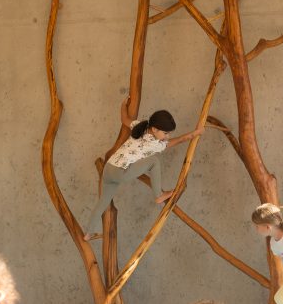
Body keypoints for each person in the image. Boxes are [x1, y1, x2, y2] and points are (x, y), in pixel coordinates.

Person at [83, 101, 203, 240]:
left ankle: (88, 233)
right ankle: (158, 195)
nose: (167, 137)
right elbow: (181, 140)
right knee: (154, 161)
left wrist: (123, 105)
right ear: (154, 129)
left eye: (169, 133)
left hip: (109, 169)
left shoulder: (139, 126)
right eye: (165, 133)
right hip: (121, 172)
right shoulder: (154, 144)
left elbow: (124, 119)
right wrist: (196, 133)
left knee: (102, 203)